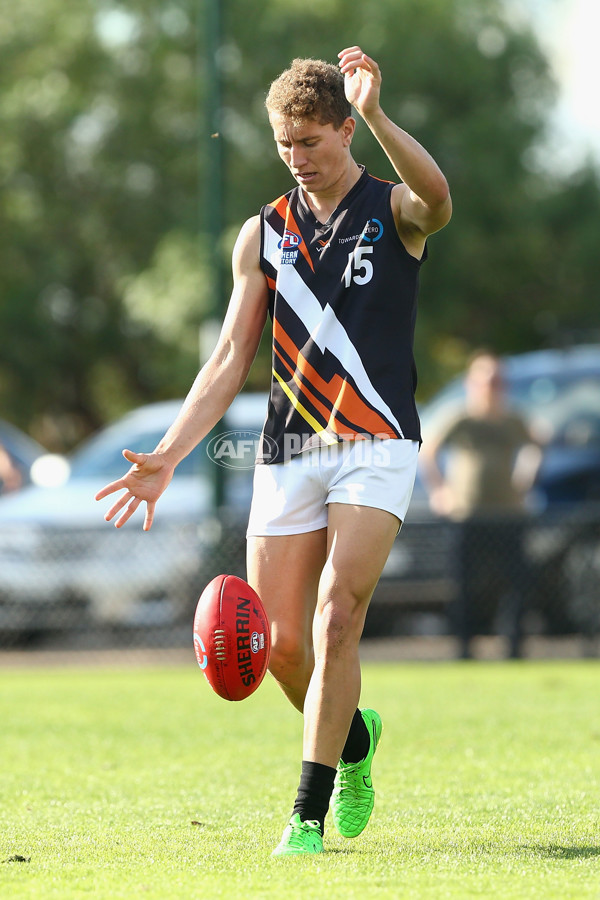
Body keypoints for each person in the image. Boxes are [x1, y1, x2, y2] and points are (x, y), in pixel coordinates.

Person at [95, 46, 451, 855]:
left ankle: (305, 815)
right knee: (282, 646)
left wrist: (379, 111)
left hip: (376, 441)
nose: (297, 158)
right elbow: (229, 357)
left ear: (345, 131)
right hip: (289, 445)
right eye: (284, 144)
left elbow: (437, 197)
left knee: (337, 616)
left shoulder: (393, 210)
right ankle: (354, 743)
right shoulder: (263, 233)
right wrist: (169, 453)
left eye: (311, 142)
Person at [420, 350, 542, 659]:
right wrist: (440, 491)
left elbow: (536, 447)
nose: (492, 387)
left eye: (497, 381)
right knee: (464, 586)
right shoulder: (460, 417)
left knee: (516, 584)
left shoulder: (513, 419)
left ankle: (513, 647)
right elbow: (428, 451)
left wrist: (526, 483)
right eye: (486, 381)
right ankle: (464, 647)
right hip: (467, 514)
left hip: (508, 514)